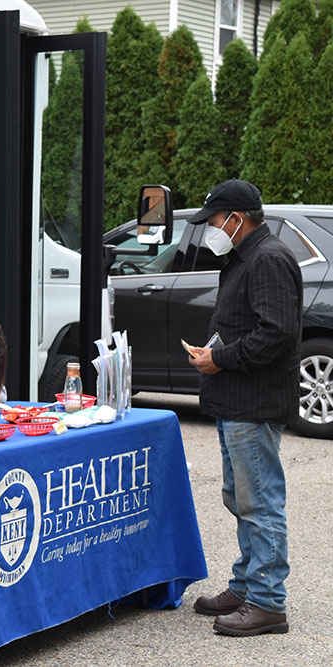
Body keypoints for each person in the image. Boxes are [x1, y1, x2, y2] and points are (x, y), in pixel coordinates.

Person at [186, 180, 302, 637]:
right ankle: (246, 585)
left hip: (253, 404)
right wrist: (212, 350)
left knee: (259, 503)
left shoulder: (268, 258)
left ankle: (268, 602)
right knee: (241, 498)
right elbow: (243, 324)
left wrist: (222, 357)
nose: (209, 229)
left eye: (213, 221)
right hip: (235, 400)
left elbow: (276, 334)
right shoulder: (244, 256)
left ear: (237, 217)